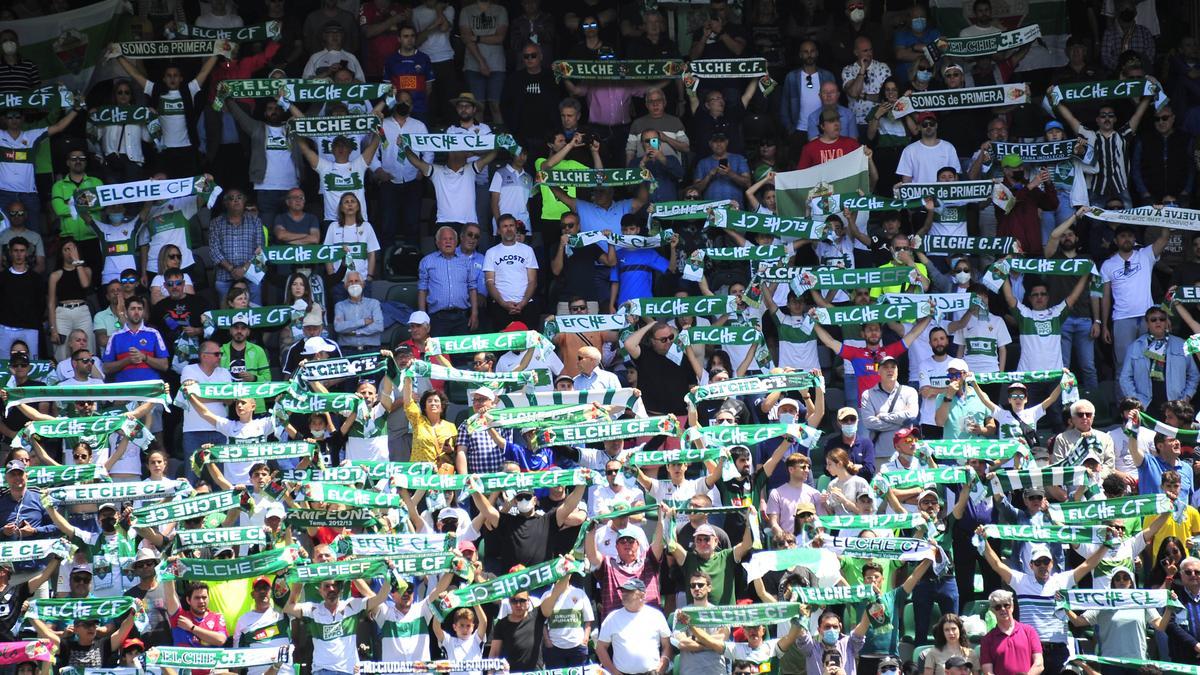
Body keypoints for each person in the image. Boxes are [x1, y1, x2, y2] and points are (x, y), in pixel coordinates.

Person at [1119, 305, 1199, 411]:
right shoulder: (1135, 347)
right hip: (1146, 406)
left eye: (1162, 319)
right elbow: (1125, 378)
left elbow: (1194, 375)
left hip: (1175, 405)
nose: (1158, 322)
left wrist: (1186, 397)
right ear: (1147, 323)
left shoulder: (1182, 344)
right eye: (1153, 319)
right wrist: (1136, 400)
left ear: (1166, 322)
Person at [595, 578, 671, 675]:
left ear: (642, 595)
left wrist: (661, 667)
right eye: (623, 591)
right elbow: (600, 648)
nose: (624, 594)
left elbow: (667, 645)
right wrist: (614, 672)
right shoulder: (612, 618)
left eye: (629, 591)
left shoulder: (656, 616)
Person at [483, 214, 539, 329]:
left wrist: (523, 303)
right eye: (504, 226)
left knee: (529, 344)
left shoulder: (528, 250)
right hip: (500, 307)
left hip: (526, 306)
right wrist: (503, 304)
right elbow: (489, 282)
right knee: (502, 345)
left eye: (511, 226)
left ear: (516, 228)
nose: (508, 229)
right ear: (498, 231)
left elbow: (532, 281)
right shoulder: (491, 252)